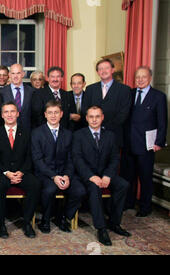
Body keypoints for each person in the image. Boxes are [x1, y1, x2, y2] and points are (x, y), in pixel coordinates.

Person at [72, 106, 131, 246]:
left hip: (105, 173)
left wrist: (108, 175)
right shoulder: (78, 135)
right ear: (86, 118)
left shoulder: (110, 136)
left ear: (102, 117)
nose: (94, 119)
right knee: (94, 188)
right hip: (87, 176)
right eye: (91, 116)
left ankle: (114, 223)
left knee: (123, 185)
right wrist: (91, 176)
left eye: (97, 116)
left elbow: (115, 158)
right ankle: (101, 228)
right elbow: (77, 159)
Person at [31, 101, 85, 233]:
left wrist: (67, 175)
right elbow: (37, 160)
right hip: (45, 174)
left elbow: (71, 159)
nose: (53, 116)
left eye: (56, 112)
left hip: (65, 172)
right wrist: (53, 176)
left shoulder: (68, 134)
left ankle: (63, 217)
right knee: (50, 190)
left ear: (61, 114)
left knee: (80, 191)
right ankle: (45, 219)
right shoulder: (37, 133)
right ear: (45, 115)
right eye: (50, 113)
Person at [122, 66, 168, 217]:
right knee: (128, 176)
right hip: (128, 142)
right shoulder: (130, 93)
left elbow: (162, 122)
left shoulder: (158, 96)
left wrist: (159, 142)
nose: (140, 80)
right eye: (137, 77)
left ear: (150, 78)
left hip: (146, 145)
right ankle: (128, 203)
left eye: (143, 77)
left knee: (145, 177)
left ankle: (145, 207)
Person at [0, 102, 41, 239]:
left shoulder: (27, 132)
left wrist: (22, 171)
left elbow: (30, 155)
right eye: (6, 112)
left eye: (12, 111)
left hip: (22, 171)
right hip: (3, 172)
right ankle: (1, 224)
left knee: (35, 185)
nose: (9, 114)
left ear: (18, 114)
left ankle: (27, 223)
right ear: (2, 115)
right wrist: (6, 172)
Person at [81, 59, 132, 148]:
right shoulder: (90, 89)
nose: (103, 71)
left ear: (112, 70)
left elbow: (124, 113)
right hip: (92, 135)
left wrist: (104, 128)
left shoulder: (124, 90)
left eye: (106, 68)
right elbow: (85, 109)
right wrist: (95, 127)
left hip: (114, 135)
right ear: (97, 72)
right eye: (100, 69)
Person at [0, 64, 35, 132]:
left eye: (18, 73)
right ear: (9, 74)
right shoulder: (1, 92)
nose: (15, 76)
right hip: (8, 132)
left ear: (23, 74)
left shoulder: (32, 92)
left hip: (28, 132)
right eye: (13, 73)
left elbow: (35, 115)